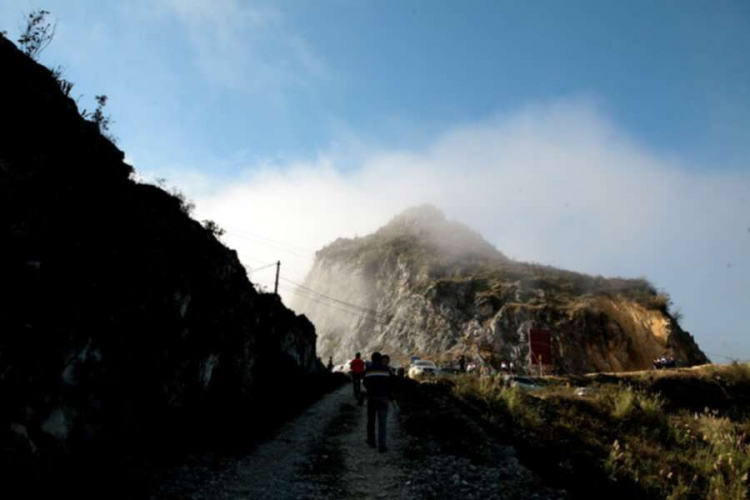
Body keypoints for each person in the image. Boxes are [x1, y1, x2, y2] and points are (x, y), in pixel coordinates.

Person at [363, 352, 394, 452]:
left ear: (372, 359)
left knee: (371, 421)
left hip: (372, 398)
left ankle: (371, 442)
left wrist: (371, 390)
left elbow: (364, 382)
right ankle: (382, 446)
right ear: (380, 359)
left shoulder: (368, 369)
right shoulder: (386, 369)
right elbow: (391, 383)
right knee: (382, 423)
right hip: (383, 398)